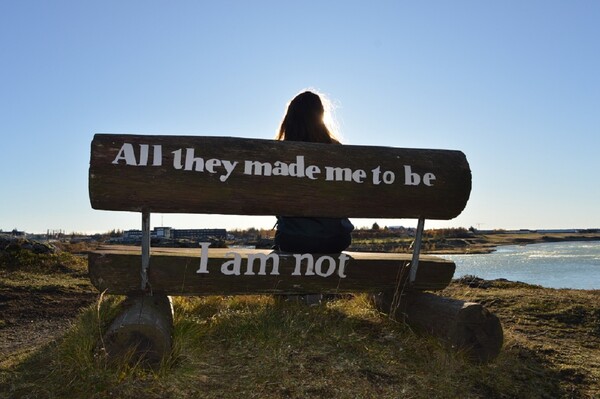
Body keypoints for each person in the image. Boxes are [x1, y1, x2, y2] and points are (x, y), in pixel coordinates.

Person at [273, 90, 354, 253]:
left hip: (292, 239)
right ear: (321, 117)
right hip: (336, 239)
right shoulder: (338, 151)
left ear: (289, 119)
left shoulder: (278, 154)